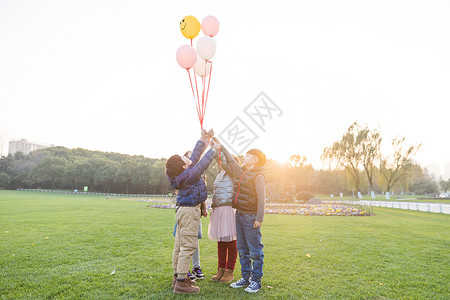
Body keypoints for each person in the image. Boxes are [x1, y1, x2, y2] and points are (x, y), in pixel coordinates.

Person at [166, 129, 218, 294]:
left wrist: (203, 139)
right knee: (188, 246)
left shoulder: (181, 174)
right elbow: (202, 164)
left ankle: (177, 276)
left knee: (179, 246)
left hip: (182, 211)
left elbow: (195, 157)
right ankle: (182, 282)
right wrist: (214, 149)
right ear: (183, 166)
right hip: (189, 212)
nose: (188, 159)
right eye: (185, 159)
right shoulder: (189, 175)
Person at [215, 139, 266, 293]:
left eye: (248, 156)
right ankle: (245, 277)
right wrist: (220, 147)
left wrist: (259, 218)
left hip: (251, 217)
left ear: (255, 160)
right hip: (240, 215)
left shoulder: (259, 175)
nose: (244, 157)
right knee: (242, 249)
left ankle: (256, 281)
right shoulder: (242, 172)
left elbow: (262, 198)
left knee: (255, 251)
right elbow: (230, 160)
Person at [208, 146, 238, 283]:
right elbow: (215, 193)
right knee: (221, 242)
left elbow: (224, 162)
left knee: (231, 243)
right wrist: (212, 208)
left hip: (229, 210)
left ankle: (229, 270)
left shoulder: (233, 173)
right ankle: (221, 269)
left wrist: (217, 148)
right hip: (218, 210)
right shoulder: (219, 176)